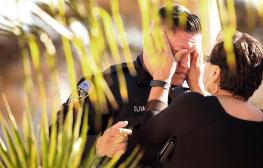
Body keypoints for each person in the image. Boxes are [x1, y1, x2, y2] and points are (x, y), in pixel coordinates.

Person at [57, 4, 201, 165]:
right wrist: (98, 146)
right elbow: (54, 139)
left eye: (192, 55)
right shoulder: (105, 85)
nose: (186, 65)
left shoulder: (193, 94)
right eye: (178, 53)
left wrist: (200, 93)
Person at [141, 31, 263, 167]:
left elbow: (149, 137)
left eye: (207, 60)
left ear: (215, 72)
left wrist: (162, 78)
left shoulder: (191, 105)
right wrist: (198, 88)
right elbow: (219, 125)